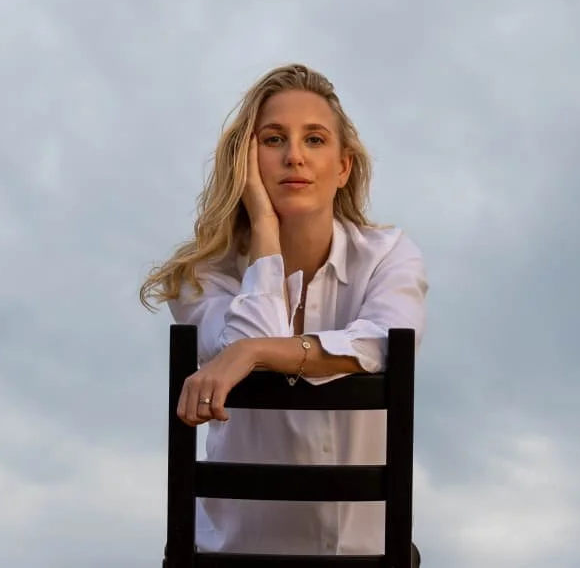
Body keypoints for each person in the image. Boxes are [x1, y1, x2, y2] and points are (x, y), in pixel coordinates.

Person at [141, 63, 428, 561]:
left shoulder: (388, 255)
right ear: (246, 163)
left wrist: (254, 352)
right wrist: (264, 229)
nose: (294, 156)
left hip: (363, 559)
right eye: (273, 140)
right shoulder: (201, 276)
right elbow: (246, 346)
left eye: (314, 140)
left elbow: (384, 344)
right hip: (230, 559)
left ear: (343, 167)